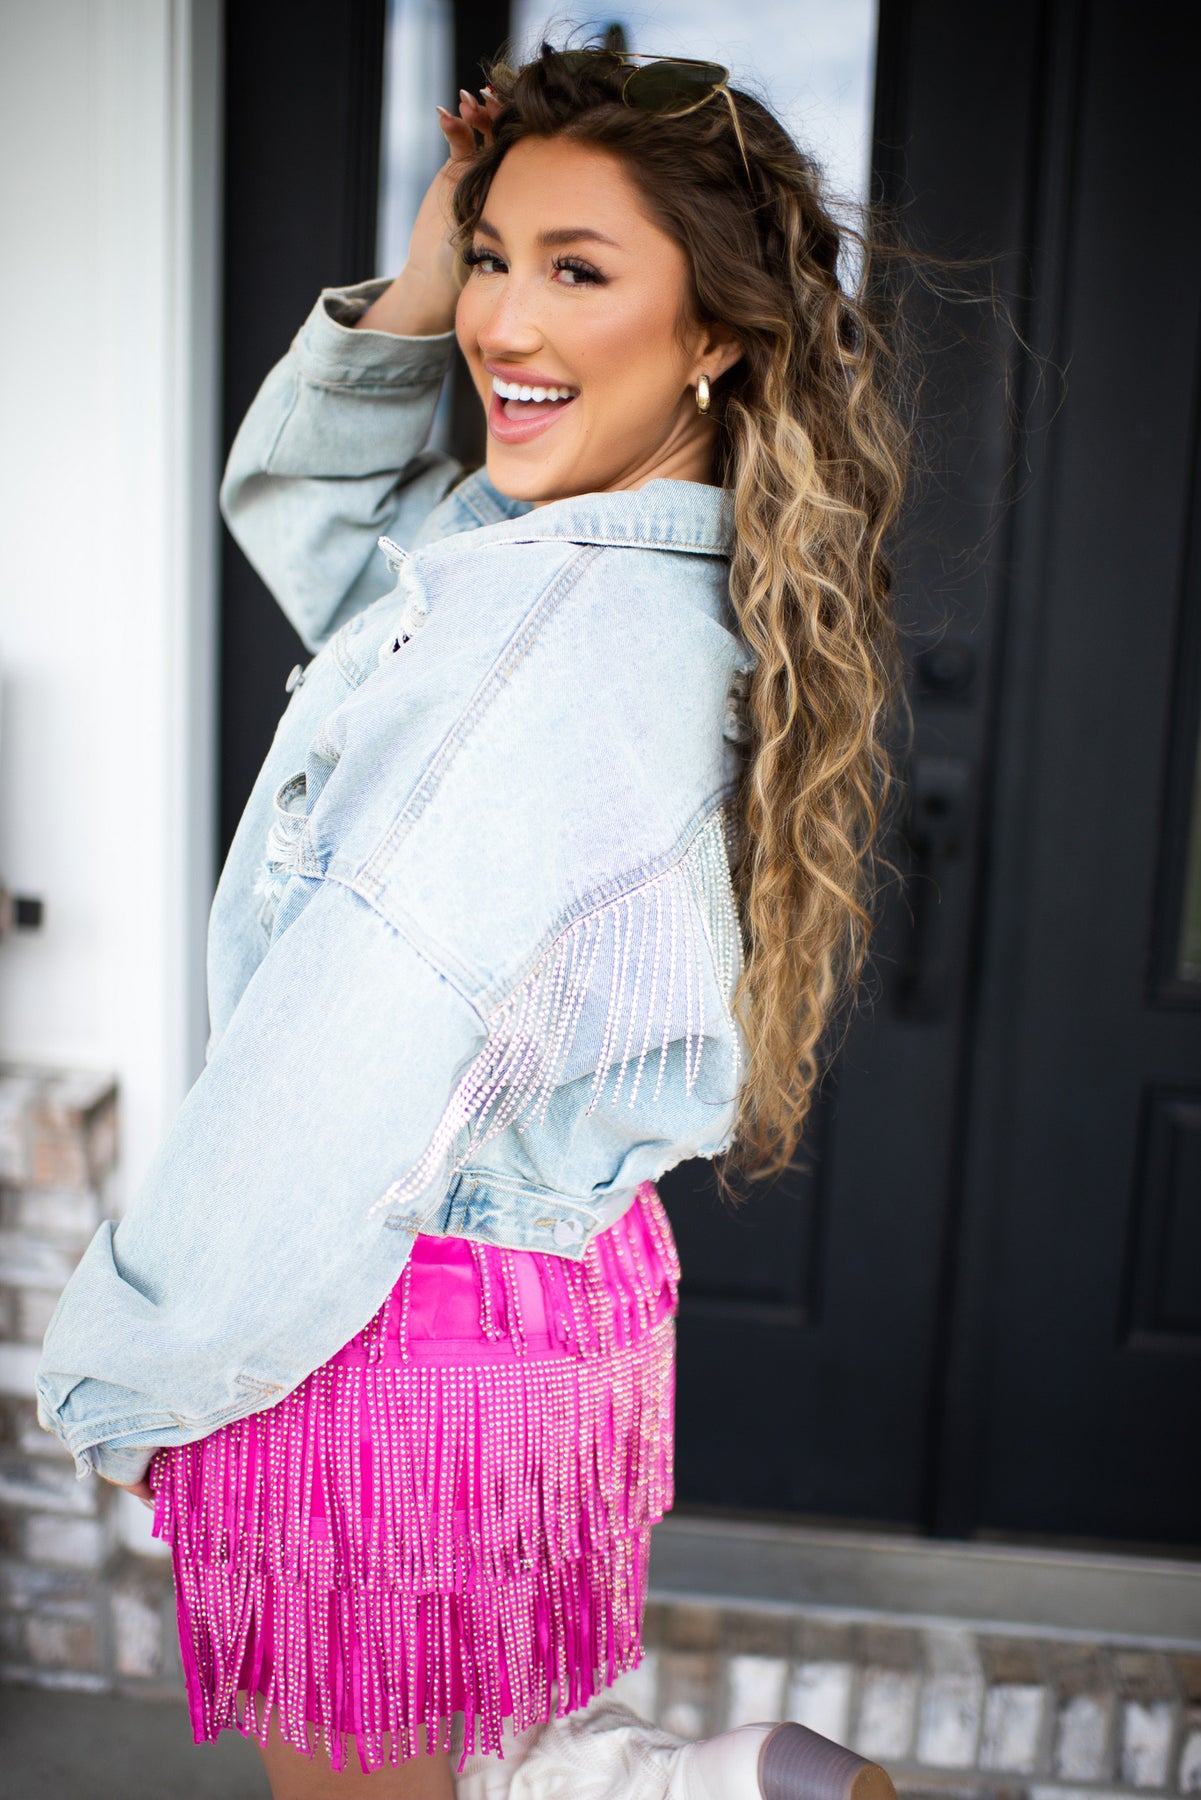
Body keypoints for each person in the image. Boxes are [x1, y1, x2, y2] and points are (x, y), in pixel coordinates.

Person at [35, 38, 911, 1800]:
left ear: (714, 329)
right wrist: (424, 273)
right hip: (544, 1315)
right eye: (495, 256)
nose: (502, 321)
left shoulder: (532, 644)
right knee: (448, 1759)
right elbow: (322, 515)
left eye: (577, 272)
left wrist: (135, 1371)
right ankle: (660, 1785)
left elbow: (334, 1064)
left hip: (378, 1336)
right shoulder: (626, 571)